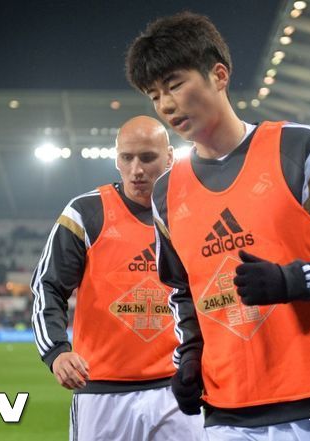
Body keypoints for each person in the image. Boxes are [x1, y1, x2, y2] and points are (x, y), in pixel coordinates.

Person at [126, 12, 310, 440]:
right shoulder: (166, 194)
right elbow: (183, 291)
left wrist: (293, 280)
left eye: (174, 84)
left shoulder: (300, 147)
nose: (166, 105)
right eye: (154, 95)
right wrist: (190, 357)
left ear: (219, 75)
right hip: (228, 413)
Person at [31, 116, 203, 441]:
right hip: (101, 393)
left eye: (147, 158)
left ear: (169, 157)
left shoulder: (193, 212)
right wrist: (56, 351)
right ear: (116, 159)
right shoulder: (85, 213)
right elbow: (47, 286)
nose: (137, 169)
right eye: (127, 157)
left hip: (176, 389)